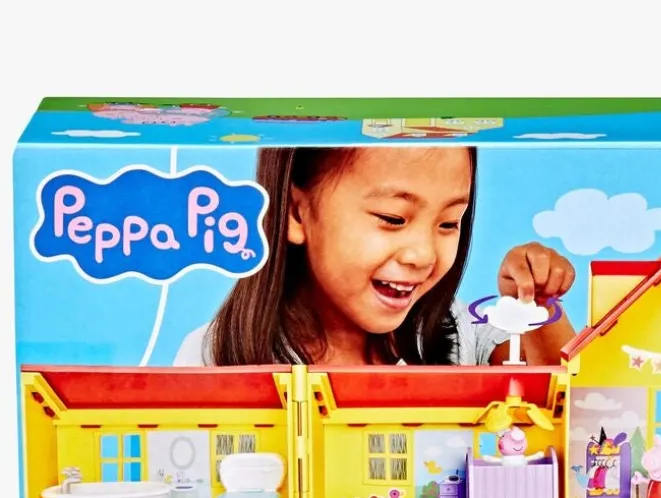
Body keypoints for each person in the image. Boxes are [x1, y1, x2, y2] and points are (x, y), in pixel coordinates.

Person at [174, 146, 576, 367]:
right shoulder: (214, 356)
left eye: (449, 223)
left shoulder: (459, 334)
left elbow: (567, 405)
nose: (422, 255)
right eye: (392, 218)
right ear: (297, 212)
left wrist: (534, 303)